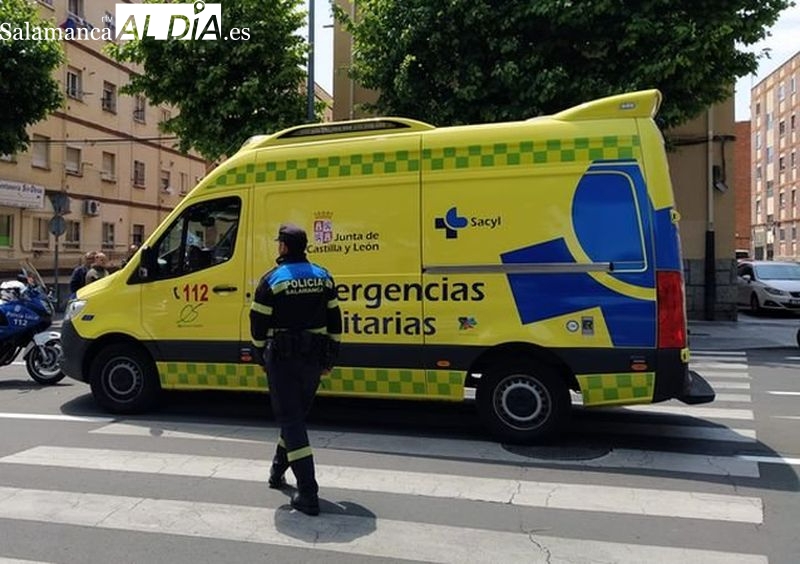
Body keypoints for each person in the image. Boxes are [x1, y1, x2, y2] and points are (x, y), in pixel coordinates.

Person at [250, 223, 342, 516]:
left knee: (291, 419)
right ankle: (277, 472)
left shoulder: (273, 279)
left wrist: (259, 353)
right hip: (314, 359)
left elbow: (257, 324)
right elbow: (335, 320)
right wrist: (331, 357)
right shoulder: (324, 277)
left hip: (284, 359)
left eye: (280, 243)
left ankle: (308, 492)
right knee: (295, 417)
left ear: (284, 247)